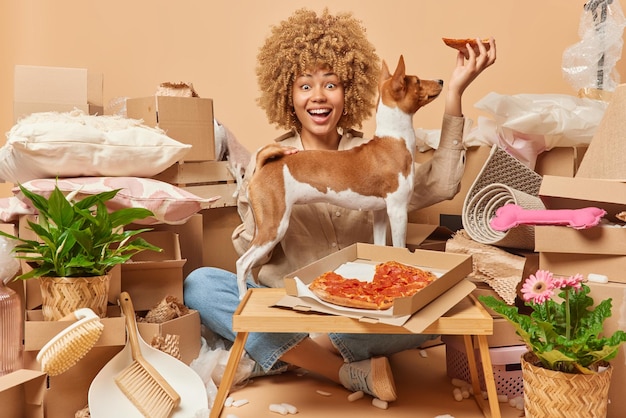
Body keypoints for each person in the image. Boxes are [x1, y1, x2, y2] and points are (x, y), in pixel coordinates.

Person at [184, 8, 496, 402]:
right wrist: (251, 182)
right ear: (287, 94)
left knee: (437, 308)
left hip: (358, 309)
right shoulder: (278, 163)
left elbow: (444, 182)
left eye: (331, 84)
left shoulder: (377, 157)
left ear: (349, 91)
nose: (318, 96)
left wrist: (454, 93)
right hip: (294, 304)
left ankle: (287, 352)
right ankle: (338, 366)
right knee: (201, 285)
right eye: (304, 85)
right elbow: (252, 251)